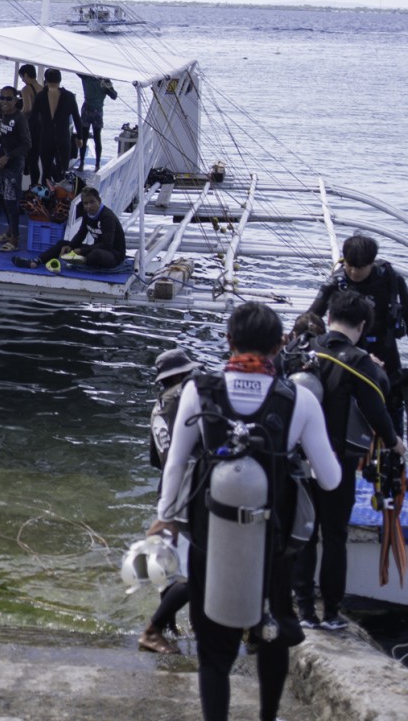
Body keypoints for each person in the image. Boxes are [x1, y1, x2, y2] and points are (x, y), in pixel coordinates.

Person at [148, 301, 341, 721]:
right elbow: (330, 479)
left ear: (229, 341)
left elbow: (176, 465)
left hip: (210, 540)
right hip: (273, 549)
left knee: (215, 649)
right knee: (272, 636)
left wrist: (166, 521)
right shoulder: (300, 399)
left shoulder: (199, 390)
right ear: (279, 344)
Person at [292, 290, 406, 631]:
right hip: (337, 460)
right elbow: (377, 410)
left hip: (297, 458)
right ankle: (330, 614)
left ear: (328, 319)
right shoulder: (359, 361)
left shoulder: (300, 351)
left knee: (305, 533)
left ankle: (304, 611)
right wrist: (395, 443)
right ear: (361, 325)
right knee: (335, 536)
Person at [309, 233, 408, 436]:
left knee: (392, 405)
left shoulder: (391, 279)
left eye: (359, 267)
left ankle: (393, 452)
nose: (353, 272)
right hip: (346, 353)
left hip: (384, 350)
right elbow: (312, 317)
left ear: (371, 263)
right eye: (349, 265)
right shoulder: (335, 283)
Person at [139, 347, 198, 655]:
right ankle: (156, 629)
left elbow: (154, 458)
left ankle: (170, 627)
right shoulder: (185, 397)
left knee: (170, 566)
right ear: (181, 375)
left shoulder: (157, 406)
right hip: (187, 490)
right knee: (196, 571)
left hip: (166, 489)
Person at [33, 187, 126, 269]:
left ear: (99, 200)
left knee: (95, 255)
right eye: (85, 203)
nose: (89, 206)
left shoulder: (107, 217)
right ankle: (37, 261)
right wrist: (71, 246)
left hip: (114, 254)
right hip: (97, 248)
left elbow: (107, 245)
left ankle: (82, 261)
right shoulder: (87, 213)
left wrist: (82, 251)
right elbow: (81, 233)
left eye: (92, 202)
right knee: (62, 244)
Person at [0, 85, 31, 253]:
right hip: (2, 165)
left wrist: (8, 157)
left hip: (13, 165)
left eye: (8, 98)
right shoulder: (5, 116)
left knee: (11, 201)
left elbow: (27, 143)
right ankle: (10, 231)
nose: (4, 101)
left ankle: (15, 239)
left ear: (16, 100)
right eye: (2, 98)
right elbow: (10, 137)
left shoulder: (19, 118)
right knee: (0, 198)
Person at [31, 69, 82, 182]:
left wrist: (30, 137)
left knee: (46, 172)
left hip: (45, 138)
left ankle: (45, 196)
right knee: (63, 171)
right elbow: (77, 118)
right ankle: (60, 196)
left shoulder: (40, 96)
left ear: (46, 80)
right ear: (60, 80)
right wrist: (79, 137)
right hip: (63, 138)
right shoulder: (69, 96)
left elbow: (33, 119)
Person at [78, 73, 117, 171]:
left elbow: (114, 96)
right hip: (94, 110)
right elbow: (114, 96)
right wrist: (107, 87)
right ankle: (89, 163)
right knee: (90, 137)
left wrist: (107, 87)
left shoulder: (88, 77)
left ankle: (92, 164)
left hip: (91, 110)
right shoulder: (92, 77)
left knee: (91, 137)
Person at [17, 63, 43, 185]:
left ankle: (22, 183)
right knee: (35, 158)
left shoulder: (26, 89)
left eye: (22, 77)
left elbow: (27, 108)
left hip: (31, 126)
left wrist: (17, 117)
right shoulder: (42, 88)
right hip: (42, 126)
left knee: (27, 156)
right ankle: (35, 185)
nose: (22, 80)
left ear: (26, 75)